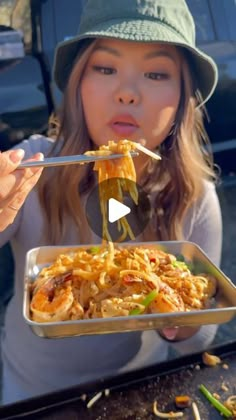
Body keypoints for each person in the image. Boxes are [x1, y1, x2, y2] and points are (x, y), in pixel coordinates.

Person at [0, 0, 222, 404]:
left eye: (156, 73)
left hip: (135, 393)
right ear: (78, 83)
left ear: (181, 100)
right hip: (27, 393)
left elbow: (202, 338)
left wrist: (183, 318)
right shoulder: (34, 168)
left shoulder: (194, 196)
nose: (126, 93)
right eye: (105, 68)